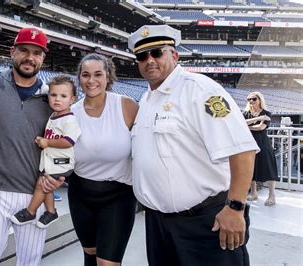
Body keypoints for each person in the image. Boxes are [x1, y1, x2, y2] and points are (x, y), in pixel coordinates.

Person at [128, 25, 259, 266]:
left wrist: (236, 207)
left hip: (205, 221)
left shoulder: (200, 90)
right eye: (142, 56)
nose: (149, 61)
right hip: (159, 224)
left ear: (174, 55)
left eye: (157, 52)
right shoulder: (146, 100)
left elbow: (242, 149)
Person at [0, 27, 62, 266]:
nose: (29, 57)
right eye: (23, 50)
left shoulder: (52, 99)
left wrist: (60, 175)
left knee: (30, 261)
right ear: (12, 52)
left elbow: (67, 144)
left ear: (43, 57)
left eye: (36, 53)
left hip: (35, 191)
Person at [68, 53, 138, 266]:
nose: (91, 81)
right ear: (79, 78)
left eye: (98, 74)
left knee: (107, 263)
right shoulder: (70, 113)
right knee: (90, 253)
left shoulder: (127, 106)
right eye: (86, 75)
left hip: (119, 195)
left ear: (108, 76)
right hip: (81, 193)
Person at [11, 75, 81, 229]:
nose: (57, 99)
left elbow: (68, 141)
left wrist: (47, 142)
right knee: (47, 185)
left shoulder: (69, 119)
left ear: (72, 99)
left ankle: (30, 212)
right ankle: (51, 211)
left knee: (41, 185)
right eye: (53, 95)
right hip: (51, 161)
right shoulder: (54, 115)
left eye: (63, 96)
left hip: (61, 162)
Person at [243, 91, 278, 206]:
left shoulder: (266, 113)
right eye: (249, 99)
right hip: (249, 143)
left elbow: (260, 127)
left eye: (253, 99)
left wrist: (247, 126)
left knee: (268, 168)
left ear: (259, 100)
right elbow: (241, 123)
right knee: (251, 168)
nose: (251, 101)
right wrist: (254, 120)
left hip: (263, 143)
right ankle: (253, 193)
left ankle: (272, 195)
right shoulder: (246, 113)